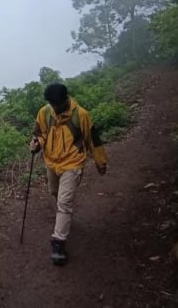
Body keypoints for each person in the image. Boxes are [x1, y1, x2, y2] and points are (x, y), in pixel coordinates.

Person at [29, 83, 107, 266]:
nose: (54, 108)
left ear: (65, 99)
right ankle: (65, 217)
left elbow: (92, 140)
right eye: (52, 104)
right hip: (52, 162)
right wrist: (36, 144)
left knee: (63, 201)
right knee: (55, 193)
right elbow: (40, 134)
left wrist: (100, 162)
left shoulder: (81, 115)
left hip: (73, 163)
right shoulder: (45, 113)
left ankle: (58, 242)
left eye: (57, 104)